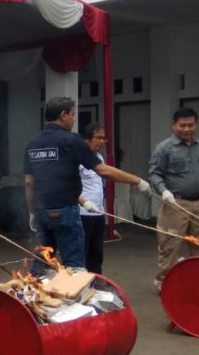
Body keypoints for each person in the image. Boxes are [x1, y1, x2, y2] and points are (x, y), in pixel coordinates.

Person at [25, 97, 150, 273]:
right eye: (73, 114)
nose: (74, 119)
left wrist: (31, 212)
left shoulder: (33, 142)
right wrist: (137, 181)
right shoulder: (71, 140)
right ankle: (74, 296)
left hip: (41, 211)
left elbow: (29, 182)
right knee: (74, 265)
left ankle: (35, 295)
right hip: (66, 211)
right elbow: (103, 170)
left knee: (42, 261)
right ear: (63, 115)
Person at [147, 107, 199, 291]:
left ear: (196, 125)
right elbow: (154, 174)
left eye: (190, 125)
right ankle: (164, 283)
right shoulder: (165, 148)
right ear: (174, 125)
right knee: (170, 245)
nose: (186, 129)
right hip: (176, 203)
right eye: (182, 125)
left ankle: (197, 281)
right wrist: (164, 191)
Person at [78, 123, 108, 274]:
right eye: (99, 138)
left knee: (96, 254)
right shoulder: (78, 158)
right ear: (87, 139)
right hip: (83, 213)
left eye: (104, 138)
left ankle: (96, 284)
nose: (102, 141)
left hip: (98, 213)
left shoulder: (99, 157)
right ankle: (80, 287)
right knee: (81, 254)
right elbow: (70, 187)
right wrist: (84, 203)